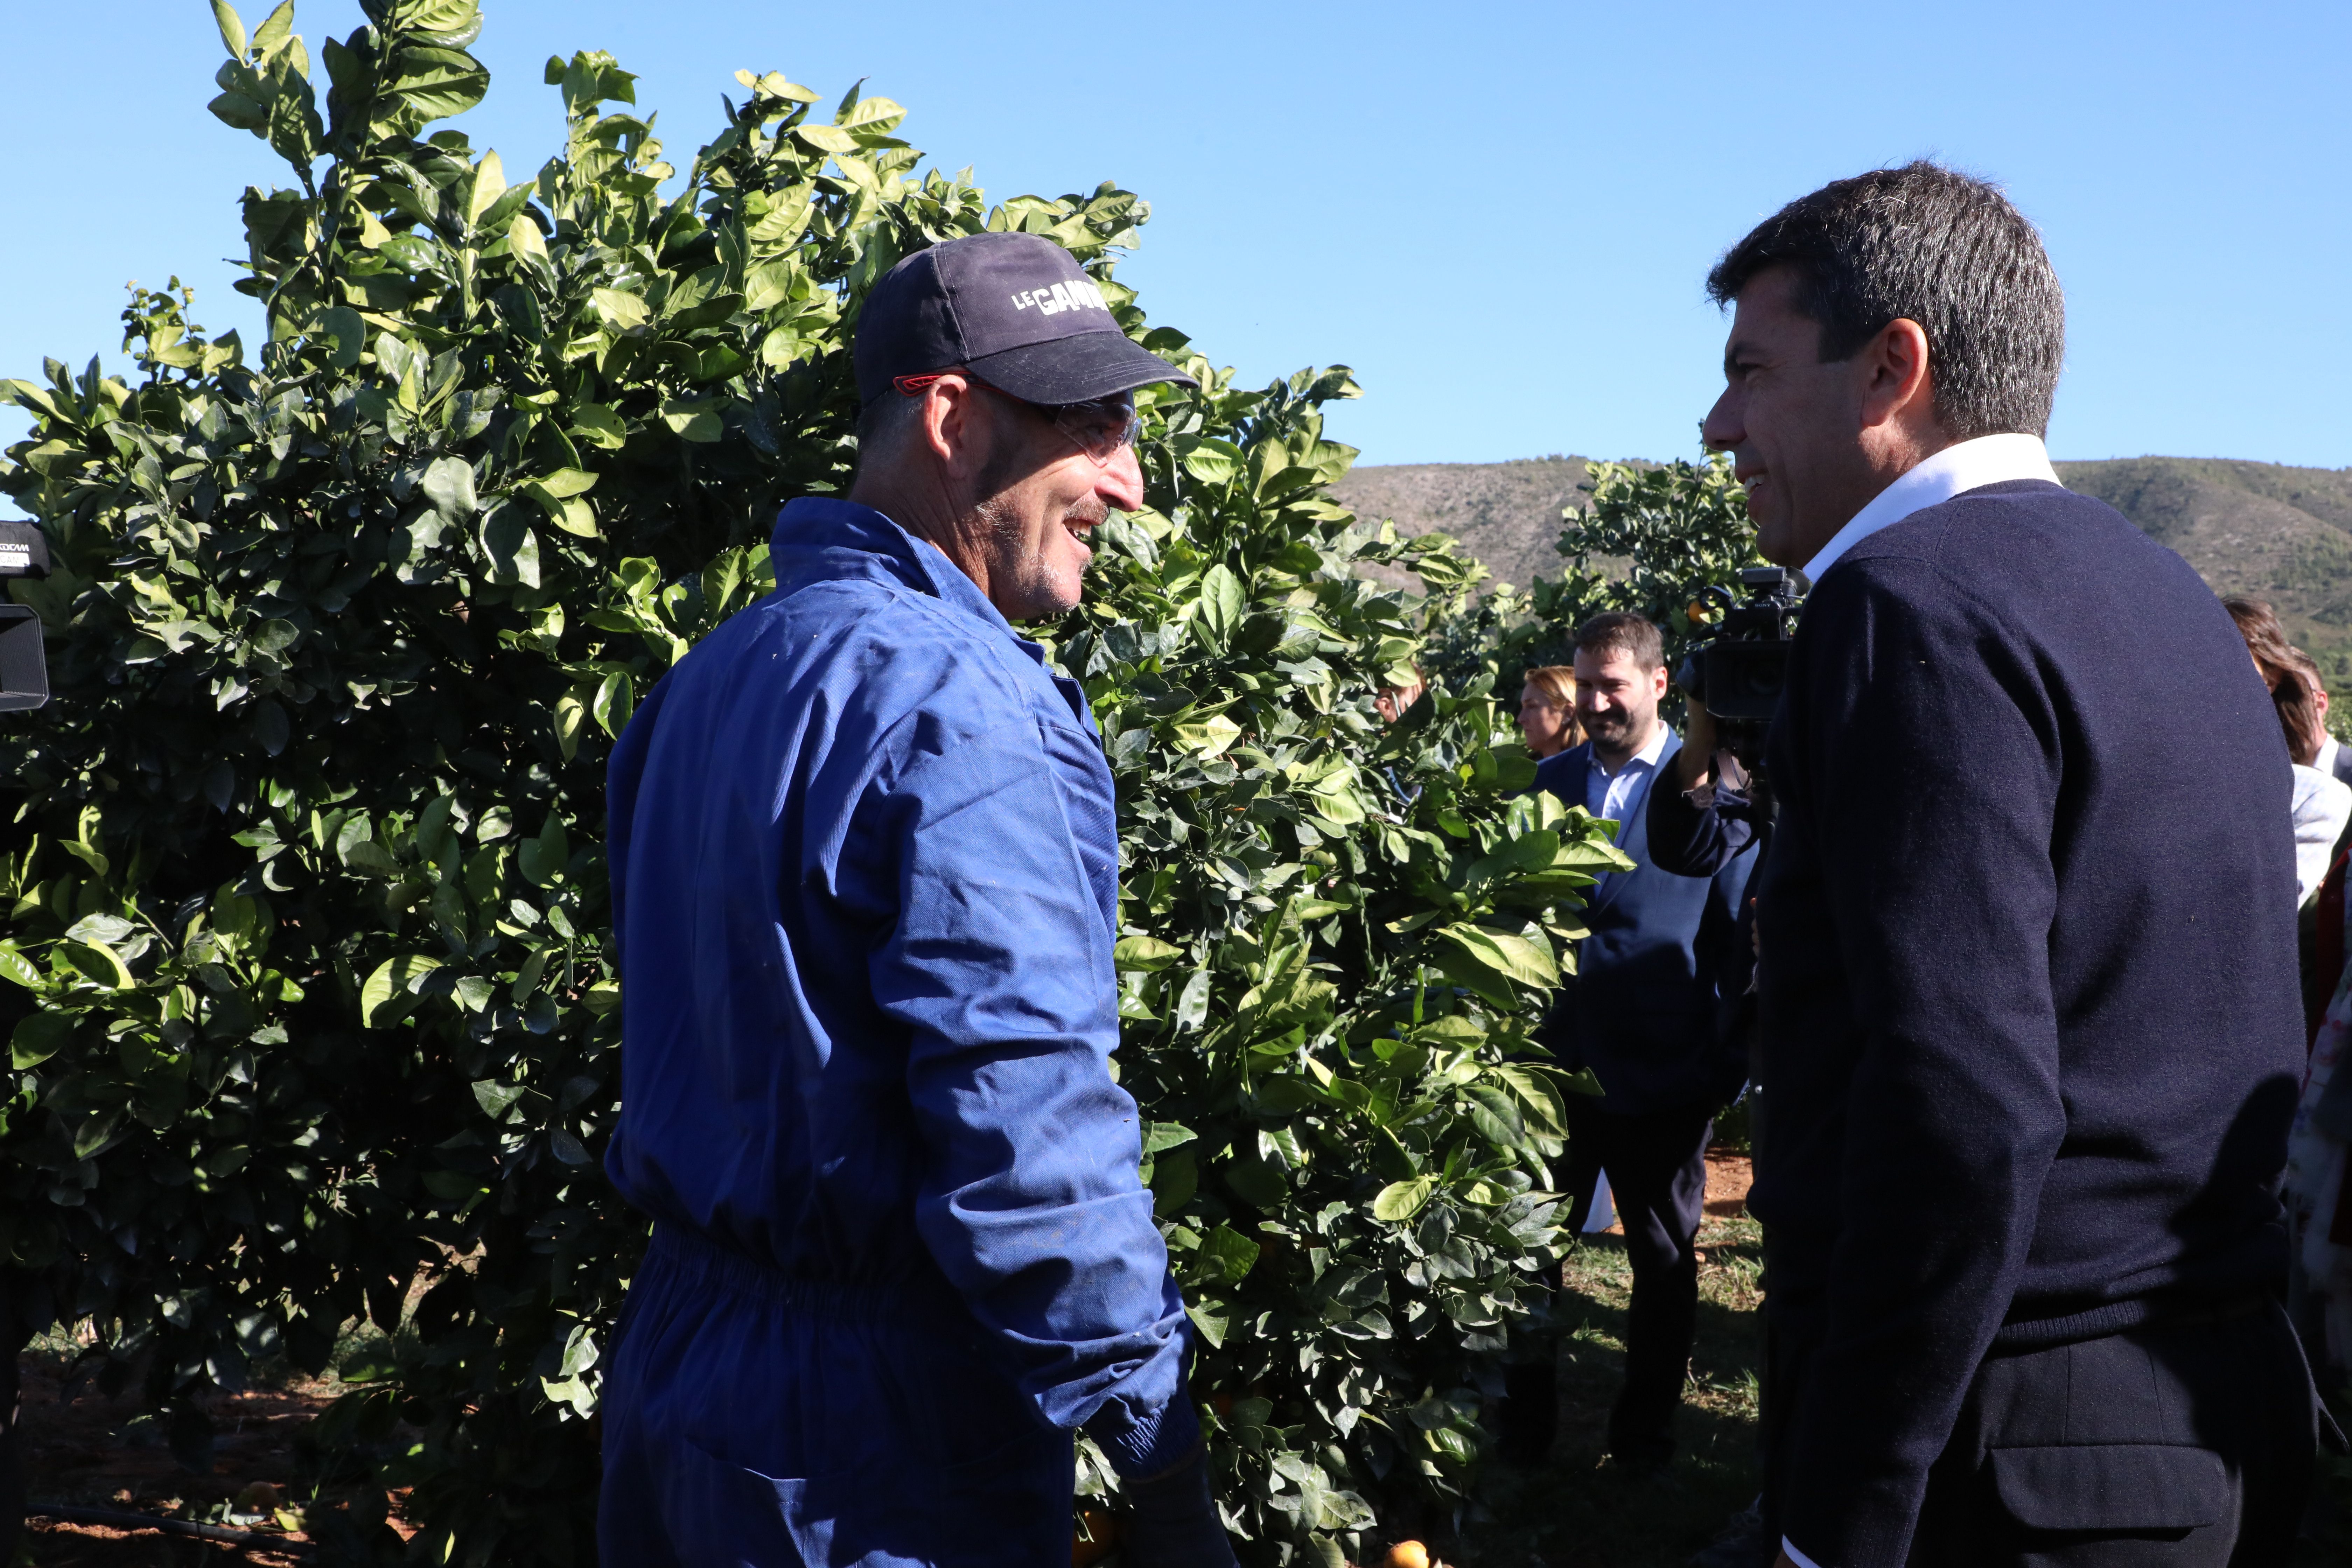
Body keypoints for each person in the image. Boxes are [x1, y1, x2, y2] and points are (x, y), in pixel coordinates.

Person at [1703, 162, 2320, 1568]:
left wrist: (1844, 1513)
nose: (1719, 423)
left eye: (1751, 371)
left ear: (1893, 368)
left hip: (2011, 1448)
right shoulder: (2162, 596)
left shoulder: (1906, 605)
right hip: (2207, 1412)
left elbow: (1962, 1108)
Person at [596, 231, 1236, 1567]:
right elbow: (1025, 1121)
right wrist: (1157, 1447)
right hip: (868, 1443)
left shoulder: (711, 678)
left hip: (677, 1377)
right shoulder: (968, 707)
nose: (1127, 480)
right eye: (1089, 424)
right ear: (949, 417)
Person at [1499, 612, 1756, 1474]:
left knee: (1662, 1260)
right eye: (1586, 683)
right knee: (1531, 1253)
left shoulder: (1711, 789)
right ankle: (1522, 1430)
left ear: (1657, 683)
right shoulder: (1545, 781)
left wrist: (1721, 1065)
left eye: (1613, 684)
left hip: (1665, 1073)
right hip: (1552, 1071)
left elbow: (1737, 939)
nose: (1597, 700)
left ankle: (1644, 1440)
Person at [1518, 664, 1582, 758]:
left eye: (1531, 706)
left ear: (1567, 713)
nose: (1520, 719)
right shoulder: (1526, 767)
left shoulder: (1597, 766)